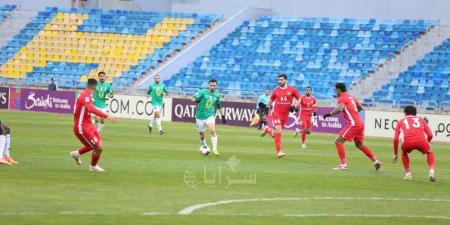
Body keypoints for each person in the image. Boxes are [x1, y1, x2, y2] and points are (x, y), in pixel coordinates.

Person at [323, 83, 382, 170]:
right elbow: (361, 107)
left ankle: (343, 164)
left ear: (339, 89)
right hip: (360, 122)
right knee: (359, 144)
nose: (336, 92)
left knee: (338, 142)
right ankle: (375, 161)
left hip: (353, 123)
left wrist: (329, 114)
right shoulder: (351, 97)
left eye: (336, 90)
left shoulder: (341, 98)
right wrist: (353, 113)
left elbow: (340, 108)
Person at [70, 79, 118, 172]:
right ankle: (93, 166)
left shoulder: (87, 94)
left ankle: (77, 154)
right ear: (95, 86)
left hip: (88, 125)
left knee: (99, 144)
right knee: (97, 147)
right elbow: (91, 109)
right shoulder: (85, 96)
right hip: (81, 127)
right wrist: (107, 116)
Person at [261, 74, 301, 158]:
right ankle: (279, 152)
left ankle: (266, 129)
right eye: (278, 80)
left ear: (286, 80)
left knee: (274, 134)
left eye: (281, 80)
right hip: (276, 113)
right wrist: (265, 105)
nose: (279, 81)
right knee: (279, 131)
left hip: (285, 115)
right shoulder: (276, 90)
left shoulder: (292, 89)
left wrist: (295, 105)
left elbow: (299, 98)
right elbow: (271, 100)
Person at [393, 105, 435, 182]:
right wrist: (425, 144)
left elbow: (395, 139)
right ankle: (431, 171)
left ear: (405, 113)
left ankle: (408, 174)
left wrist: (395, 154)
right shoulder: (421, 120)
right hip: (421, 141)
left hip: (407, 142)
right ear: (415, 113)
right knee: (430, 152)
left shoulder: (401, 121)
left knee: (404, 153)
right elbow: (430, 135)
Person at [193, 79, 226, 156]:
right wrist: (196, 100)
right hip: (200, 116)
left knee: (213, 130)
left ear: (216, 86)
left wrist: (223, 116)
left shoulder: (217, 95)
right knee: (201, 135)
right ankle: (204, 144)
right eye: (211, 85)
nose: (212, 87)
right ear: (209, 85)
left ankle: (215, 149)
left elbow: (219, 106)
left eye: (214, 85)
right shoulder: (203, 92)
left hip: (210, 115)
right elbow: (193, 97)